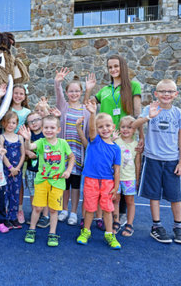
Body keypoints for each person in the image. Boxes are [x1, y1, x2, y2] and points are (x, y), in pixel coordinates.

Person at [84, 55, 143, 225]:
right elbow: (87, 105)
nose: (113, 70)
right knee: (106, 176)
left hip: (124, 138)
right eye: (110, 67)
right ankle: (105, 215)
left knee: (123, 173)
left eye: (116, 66)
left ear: (122, 67)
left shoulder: (134, 86)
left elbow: (137, 114)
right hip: (107, 138)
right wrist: (88, 89)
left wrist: (141, 136)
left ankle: (120, 214)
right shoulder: (104, 90)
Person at [133, 79, 181, 244]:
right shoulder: (149, 109)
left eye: (170, 91)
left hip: (172, 161)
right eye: (163, 91)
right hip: (152, 159)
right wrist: (148, 117)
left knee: (175, 196)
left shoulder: (180, 114)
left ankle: (178, 226)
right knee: (154, 195)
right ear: (156, 94)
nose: (166, 94)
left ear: (176, 94)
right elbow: (136, 124)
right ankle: (156, 226)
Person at [20, 115, 74, 247]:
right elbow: (30, 146)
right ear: (42, 129)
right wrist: (27, 140)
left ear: (58, 129)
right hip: (41, 181)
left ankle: (52, 233)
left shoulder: (63, 143)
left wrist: (68, 171)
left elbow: (71, 157)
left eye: (52, 127)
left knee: (54, 210)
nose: (49, 130)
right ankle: (32, 229)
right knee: (37, 207)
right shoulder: (41, 142)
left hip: (58, 182)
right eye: (46, 127)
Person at [76, 100, 122, 250]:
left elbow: (117, 169)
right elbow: (91, 130)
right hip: (91, 180)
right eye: (100, 126)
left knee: (108, 209)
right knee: (90, 208)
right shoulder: (94, 141)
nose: (105, 129)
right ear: (96, 129)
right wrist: (92, 113)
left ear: (113, 127)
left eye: (108, 126)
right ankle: (86, 231)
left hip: (107, 182)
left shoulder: (116, 149)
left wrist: (116, 186)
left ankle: (109, 234)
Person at [54, 67, 90, 226]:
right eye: (71, 91)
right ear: (67, 93)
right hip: (63, 153)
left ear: (81, 92)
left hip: (78, 153)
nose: (74, 94)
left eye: (77, 91)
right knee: (64, 183)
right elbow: (58, 93)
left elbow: (88, 132)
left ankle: (74, 212)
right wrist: (57, 82)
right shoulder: (63, 107)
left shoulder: (85, 111)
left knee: (75, 184)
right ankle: (63, 209)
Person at [113, 116, 141, 237]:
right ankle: (116, 221)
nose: (126, 129)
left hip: (129, 178)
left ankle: (129, 224)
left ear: (134, 129)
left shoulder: (136, 145)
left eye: (129, 127)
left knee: (130, 201)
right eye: (123, 127)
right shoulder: (116, 142)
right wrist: (112, 140)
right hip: (116, 178)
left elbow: (137, 163)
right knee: (116, 200)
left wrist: (137, 179)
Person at [0, 111, 25, 229]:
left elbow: (23, 154)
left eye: (13, 123)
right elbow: (2, 154)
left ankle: (13, 217)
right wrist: (10, 167)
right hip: (6, 170)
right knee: (6, 193)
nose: (11, 125)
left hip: (17, 171)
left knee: (15, 193)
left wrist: (17, 168)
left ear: (17, 124)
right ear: (4, 123)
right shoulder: (2, 137)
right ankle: (4, 218)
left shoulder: (20, 138)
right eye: (8, 122)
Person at [23, 111, 45, 224]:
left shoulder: (46, 133)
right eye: (31, 121)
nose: (34, 123)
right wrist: (27, 152)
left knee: (44, 193)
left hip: (44, 171)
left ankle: (45, 216)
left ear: (42, 120)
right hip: (31, 170)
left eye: (36, 120)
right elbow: (22, 147)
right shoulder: (28, 134)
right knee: (33, 193)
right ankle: (34, 213)